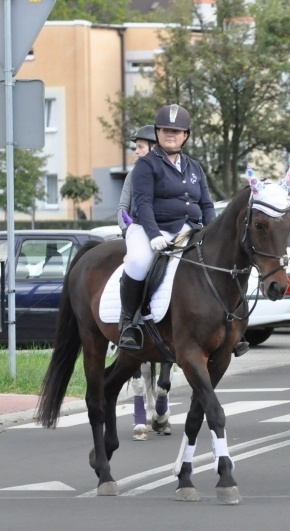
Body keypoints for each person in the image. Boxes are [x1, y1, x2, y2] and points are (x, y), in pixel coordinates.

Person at [119, 104, 216, 350]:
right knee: (139, 261)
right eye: (164, 130)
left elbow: (206, 204)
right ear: (158, 132)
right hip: (151, 228)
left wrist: (214, 234)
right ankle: (129, 323)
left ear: (186, 135)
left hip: (189, 230)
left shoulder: (194, 167)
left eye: (176, 130)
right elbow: (143, 203)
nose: (170, 134)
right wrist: (153, 235)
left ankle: (224, 326)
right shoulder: (147, 165)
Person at [117, 124, 163, 440]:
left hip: (169, 235)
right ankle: (129, 321)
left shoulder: (170, 171)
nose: (136, 150)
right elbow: (122, 210)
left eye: (141, 146)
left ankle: (161, 408)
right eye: (136, 146)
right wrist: (133, 225)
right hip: (142, 235)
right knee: (137, 266)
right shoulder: (135, 174)